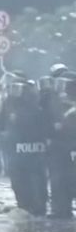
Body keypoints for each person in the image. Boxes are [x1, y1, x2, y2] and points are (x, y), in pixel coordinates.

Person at [1, 77, 49, 216]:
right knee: (24, 178)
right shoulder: (10, 104)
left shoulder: (38, 105)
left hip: (29, 148)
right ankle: (30, 205)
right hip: (20, 149)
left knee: (32, 178)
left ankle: (33, 205)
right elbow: (2, 124)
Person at [48, 72, 76, 219]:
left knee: (69, 179)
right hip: (58, 148)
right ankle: (60, 208)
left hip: (70, 147)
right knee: (58, 180)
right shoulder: (57, 103)